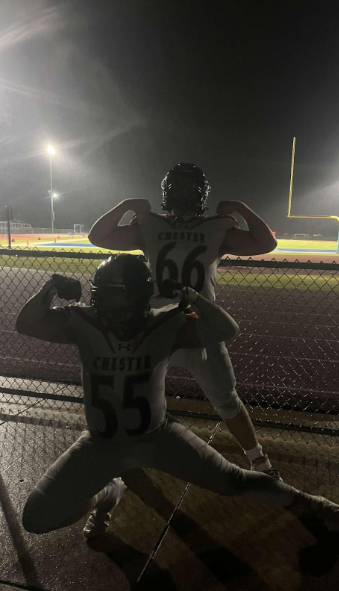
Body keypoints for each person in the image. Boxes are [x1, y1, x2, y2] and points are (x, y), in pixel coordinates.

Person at [17, 255, 339, 540]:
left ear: (143, 299)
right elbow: (25, 324)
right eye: (109, 302)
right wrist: (50, 287)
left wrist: (190, 295)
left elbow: (227, 330)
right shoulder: (83, 322)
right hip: (101, 442)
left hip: (157, 436)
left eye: (124, 303)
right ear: (96, 299)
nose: (117, 313)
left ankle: (310, 503)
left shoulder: (163, 324)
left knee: (231, 480)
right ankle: (108, 492)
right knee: (36, 518)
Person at [88, 163, 281, 479]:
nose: (180, 193)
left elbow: (267, 244)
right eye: (178, 187)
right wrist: (239, 209)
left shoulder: (185, 227)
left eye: (184, 187)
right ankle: (259, 462)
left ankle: (259, 460)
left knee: (225, 400)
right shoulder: (183, 226)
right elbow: (97, 236)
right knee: (140, 398)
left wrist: (128, 207)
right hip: (163, 326)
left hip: (186, 324)